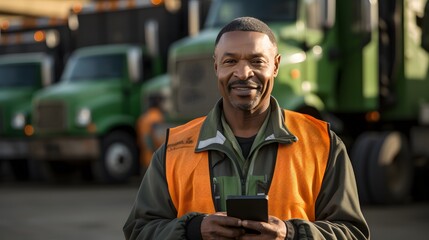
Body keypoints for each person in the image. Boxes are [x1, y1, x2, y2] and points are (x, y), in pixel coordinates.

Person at [124, 17, 370, 239]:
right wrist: (193, 229)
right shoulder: (175, 149)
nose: (243, 73)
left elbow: (353, 233)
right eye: (230, 61)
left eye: (256, 61)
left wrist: (292, 233)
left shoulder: (322, 144)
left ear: (275, 66)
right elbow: (139, 230)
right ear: (216, 67)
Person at [136, 94, 165, 169]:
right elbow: (160, 140)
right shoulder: (157, 117)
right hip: (155, 161)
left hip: (144, 158)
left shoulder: (142, 118)